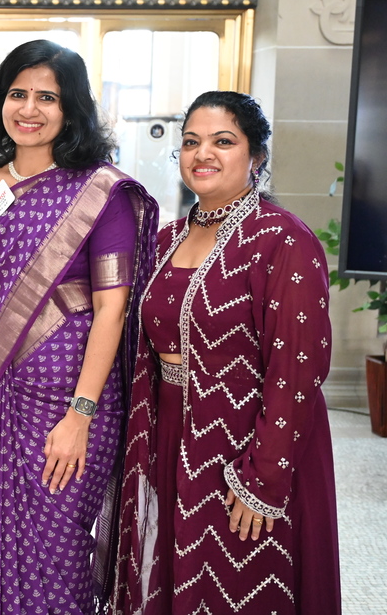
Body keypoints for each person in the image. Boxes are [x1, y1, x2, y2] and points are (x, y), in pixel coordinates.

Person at [0, 39, 158, 614]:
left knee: (56, 553)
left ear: (72, 110)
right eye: (17, 94)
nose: (29, 109)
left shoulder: (100, 192)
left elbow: (112, 309)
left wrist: (80, 417)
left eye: (47, 97)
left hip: (64, 403)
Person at [110, 91, 340, 615]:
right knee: (174, 573)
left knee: (240, 581)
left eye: (223, 141)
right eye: (191, 142)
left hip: (248, 446)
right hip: (171, 432)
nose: (202, 154)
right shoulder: (168, 237)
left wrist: (263, 477)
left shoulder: (283, 240)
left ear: (256, 157)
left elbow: (297, 371)